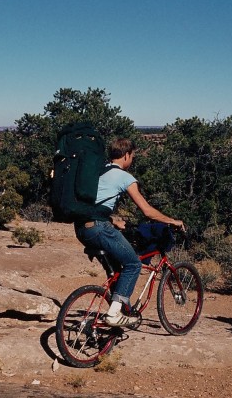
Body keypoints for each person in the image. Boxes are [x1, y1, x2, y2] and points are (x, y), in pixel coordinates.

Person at [74, 138, 185, 327]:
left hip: (82, 229)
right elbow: (147, 211)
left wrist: (112, 220)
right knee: (133, 264)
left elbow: (91, 203)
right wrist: (172, 220)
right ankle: (114, 314)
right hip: (99, 228)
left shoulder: (99, 170)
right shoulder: (125, 177)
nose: (132, 160)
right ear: (126, 155)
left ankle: (120, 309)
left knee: (118, 269)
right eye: (132, 156)